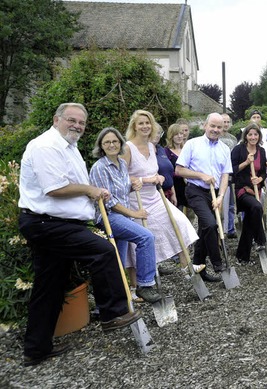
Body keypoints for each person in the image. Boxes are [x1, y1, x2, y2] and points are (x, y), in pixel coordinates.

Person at [19, 103, 140, 367]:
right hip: (47, 223)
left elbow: (73, 184)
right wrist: (89, 189)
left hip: (57, 222)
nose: (77, 126)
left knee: (49, 284)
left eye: (82, 123)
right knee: (104, 251)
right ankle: (112, 313)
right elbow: (54, 188)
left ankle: (36, 349)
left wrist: (94, 191)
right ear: (56, 119)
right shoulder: (45, 146)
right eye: (71, 120)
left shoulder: (69, 147)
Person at [123, 110, 201, 276]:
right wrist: (145, 180)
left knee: (179, 222)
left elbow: (157, 170)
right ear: (134, 126)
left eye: (148, 123)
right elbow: (120, 177)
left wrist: (158, 177)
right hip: (136, 199)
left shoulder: (152, 146)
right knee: (142, 240)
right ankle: (139, 282)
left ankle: (186, 267)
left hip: (155, 197)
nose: (145, 126)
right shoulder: (128, 148)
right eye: (141, 123)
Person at [89, 127, 161, 304]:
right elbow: (109, 202)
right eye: (107, 142)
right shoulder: (100, 168)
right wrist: (134, 213)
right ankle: (145, 285)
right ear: (101, 146)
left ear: (120, 143)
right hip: (108, 217)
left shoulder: (121, 164)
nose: (112, 145)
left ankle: (113, 301)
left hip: (122, 218)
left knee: (118, 261)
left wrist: (132, 186)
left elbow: (120, 191)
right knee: (146, 237)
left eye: (115, 141)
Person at [175, 112, 233, 280]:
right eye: (212, 126)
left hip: (214, 194)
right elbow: (179, 170)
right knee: (210, 224)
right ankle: (217, 263)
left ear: (223, 129)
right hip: (195, 190)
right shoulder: (192, 144)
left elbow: (225, 175)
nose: (215, 130)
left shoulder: (224, 149)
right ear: (205, 126)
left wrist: (221, 196)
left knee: (204, 230)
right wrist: (201, 175)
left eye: (219, 127)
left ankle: (199, 269)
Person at [230, 123, 267, 264]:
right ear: (245, 136)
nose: (253, 137)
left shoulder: (261, 151)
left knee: (250, 220)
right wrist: (246, 162)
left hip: (256, 190)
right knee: (257, 208)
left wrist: (260, 178)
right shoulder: (238, 150)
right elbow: (232, 170)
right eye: (250, 134)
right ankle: (260, 239)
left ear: (259, 136)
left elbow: (263, 171)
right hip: (242, 190)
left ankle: (242, 256)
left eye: (255, 134)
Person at [220, 113, 238, 239]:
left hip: (230, 173)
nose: (225, 124)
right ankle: (220, 228)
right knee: (220, 202)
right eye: (223, 122)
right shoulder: (216, 137)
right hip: (218, 174)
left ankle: (230, 228)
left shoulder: (233, 138)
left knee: (231, 203)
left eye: (227, 122)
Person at [165, 123, 188, 210]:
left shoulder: (186, 150)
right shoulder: (166, 152)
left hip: (187, 186)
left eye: (181, 134)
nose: (179, 136)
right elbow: (167, 171)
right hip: (175, 187)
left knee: (191, 215)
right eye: (176, 134)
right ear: (171, 135)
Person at [152, 125, 177, 206]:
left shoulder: (161, 149)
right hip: (156, 194)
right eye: (155, 132)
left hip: (168, 193)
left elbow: (169, 172)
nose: (157, 135)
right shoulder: (145, 151)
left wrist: (173, 193)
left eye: (159, 133)